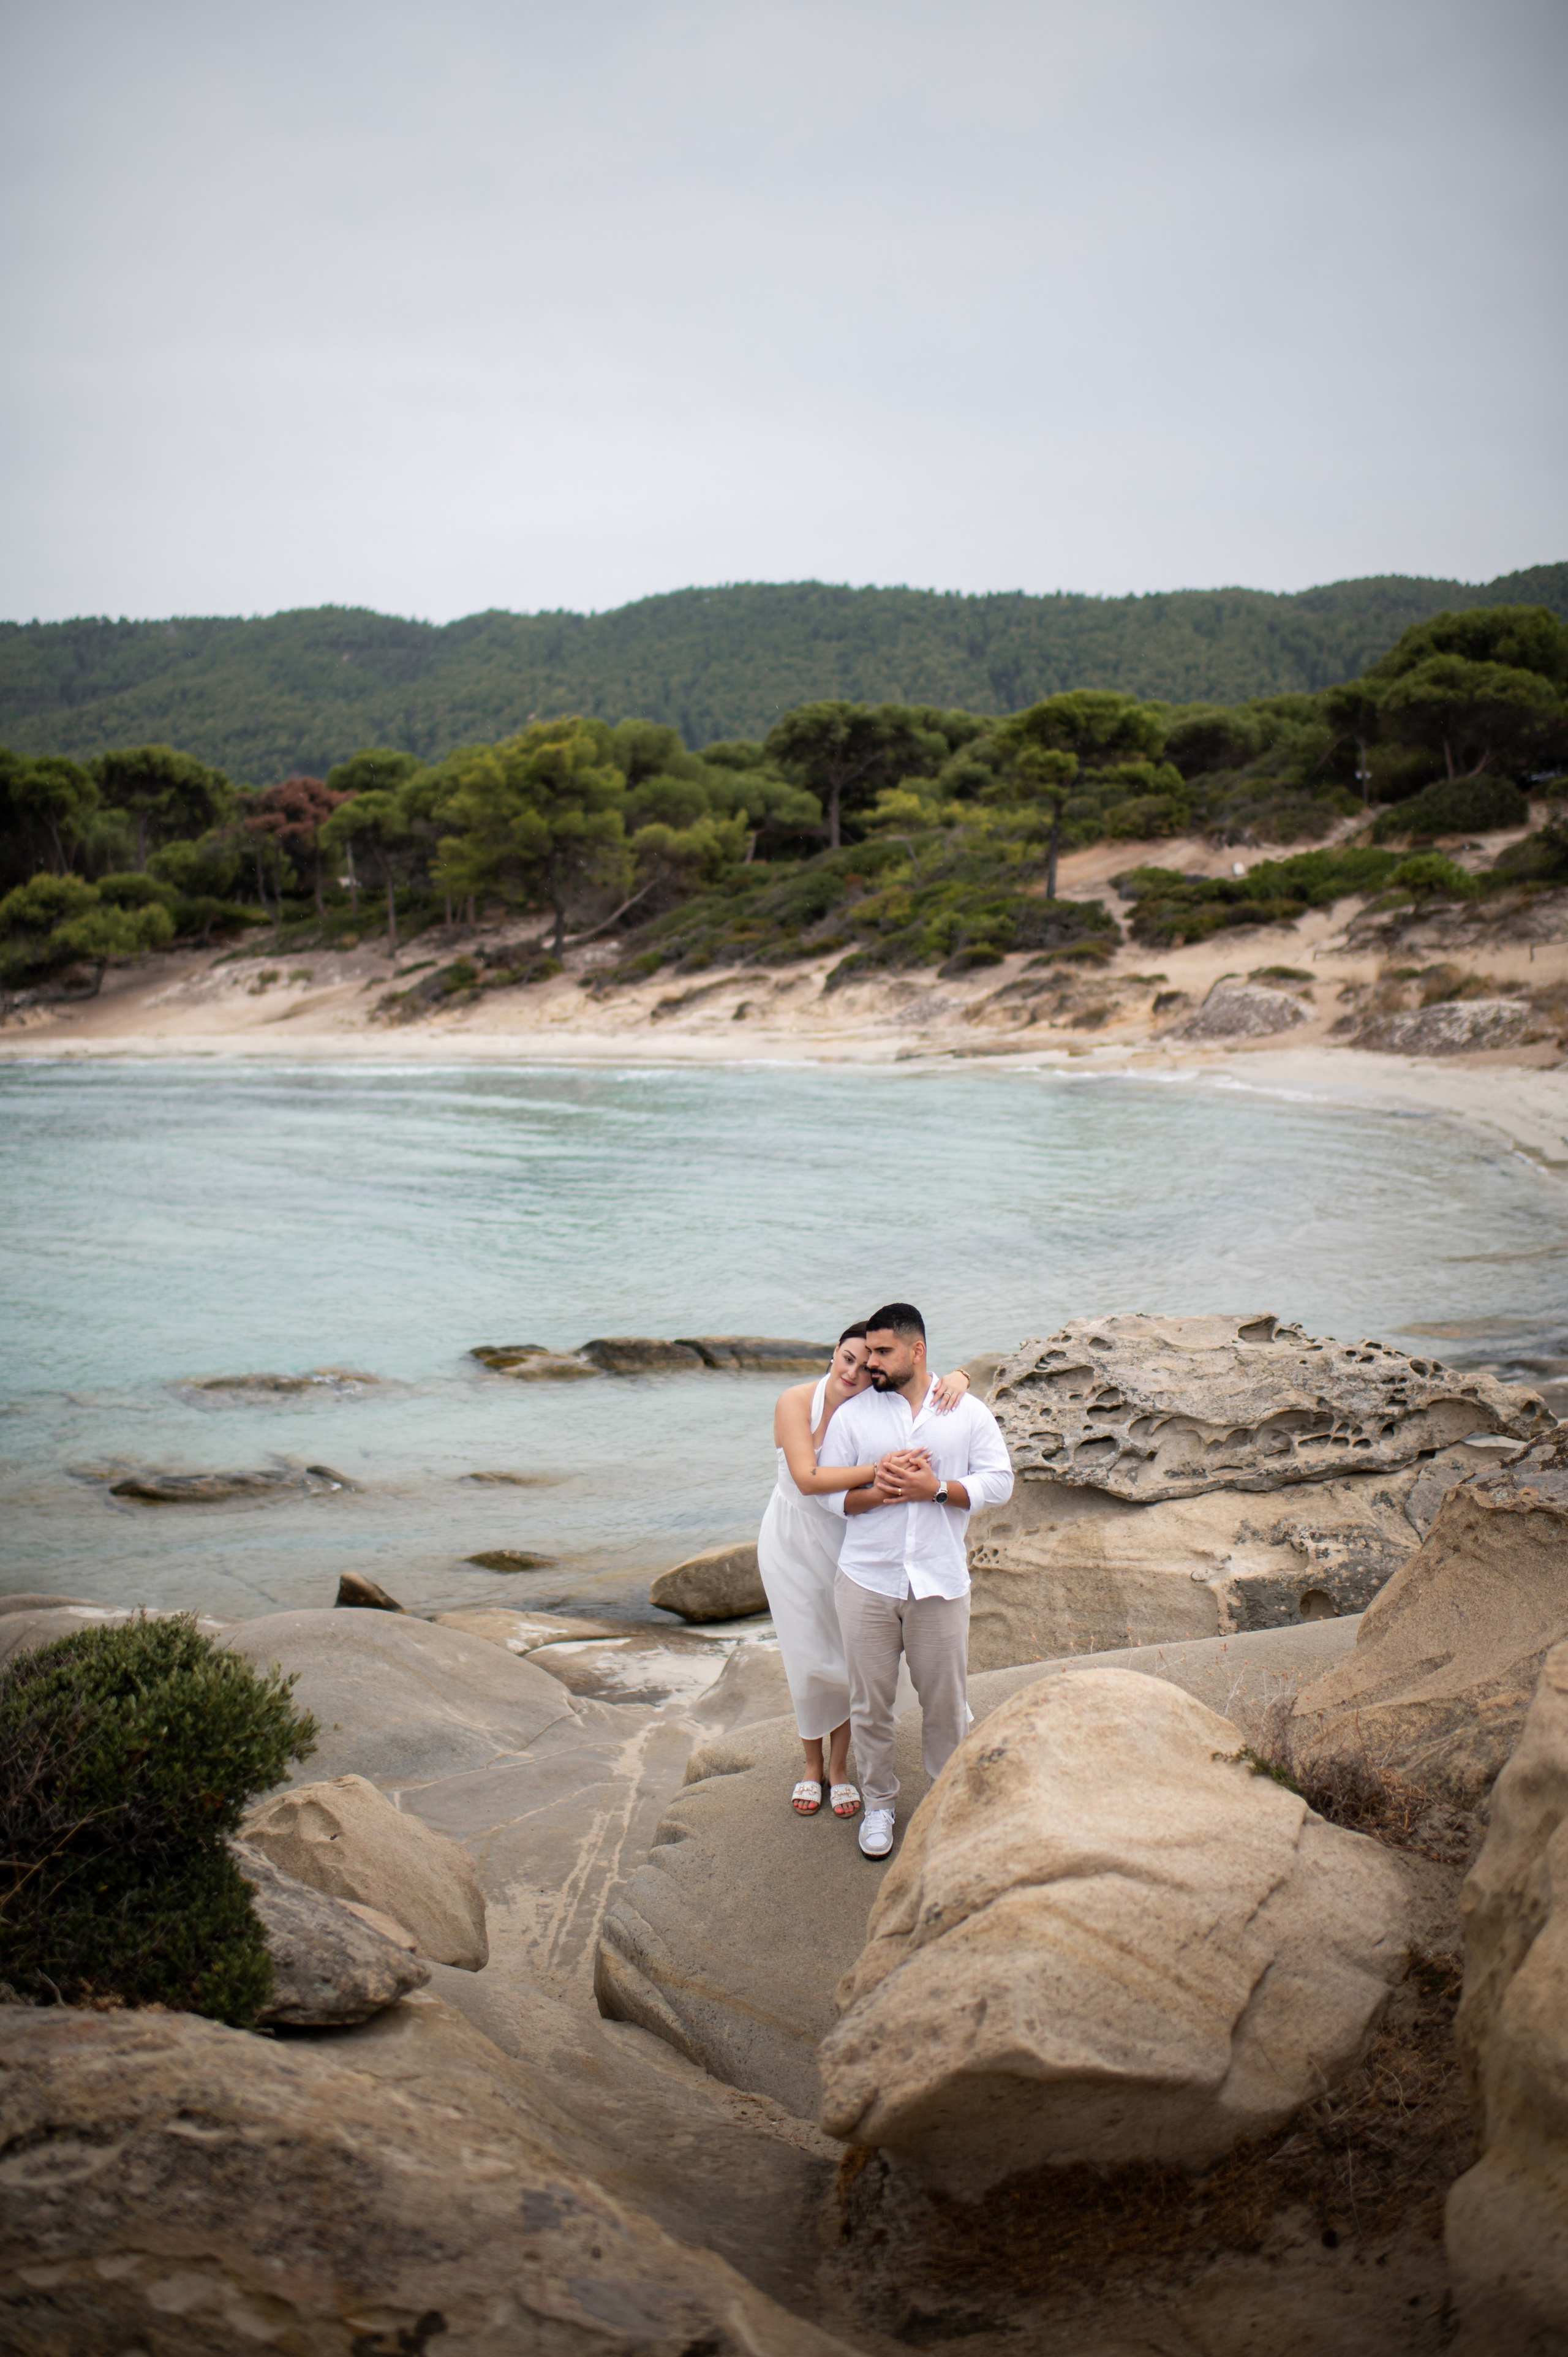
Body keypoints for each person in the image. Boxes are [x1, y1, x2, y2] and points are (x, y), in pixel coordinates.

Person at [818, 1301, 1013, 1859]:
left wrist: (934, 1488)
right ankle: (879, 1805)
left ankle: (948, 1801)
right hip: (866, 1580)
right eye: (868, 1352)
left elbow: (1000, 1483)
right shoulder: (855, 1415)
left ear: (916, 1351)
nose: (871, 1363)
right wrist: (882, 1487)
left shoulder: (966, 1411)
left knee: (946, 1704)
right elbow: (831, 1496)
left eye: (882, 1352)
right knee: (870, 1705)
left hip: (940, 1581)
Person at [759, 1322, 971, 1821]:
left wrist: (962, 1376)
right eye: (847, 1358)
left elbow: (919, 1375)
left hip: (847, 1537)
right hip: (791, 1542)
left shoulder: (870, 1401)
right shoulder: (796, 1400)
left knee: (849, 1656)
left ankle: (839, 1768)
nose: (856, 1370)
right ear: (833, 1353)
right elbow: (808, 1479)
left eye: (867, 1361)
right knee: (807, 1654)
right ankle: (811, 1765)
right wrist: (883, 1468)